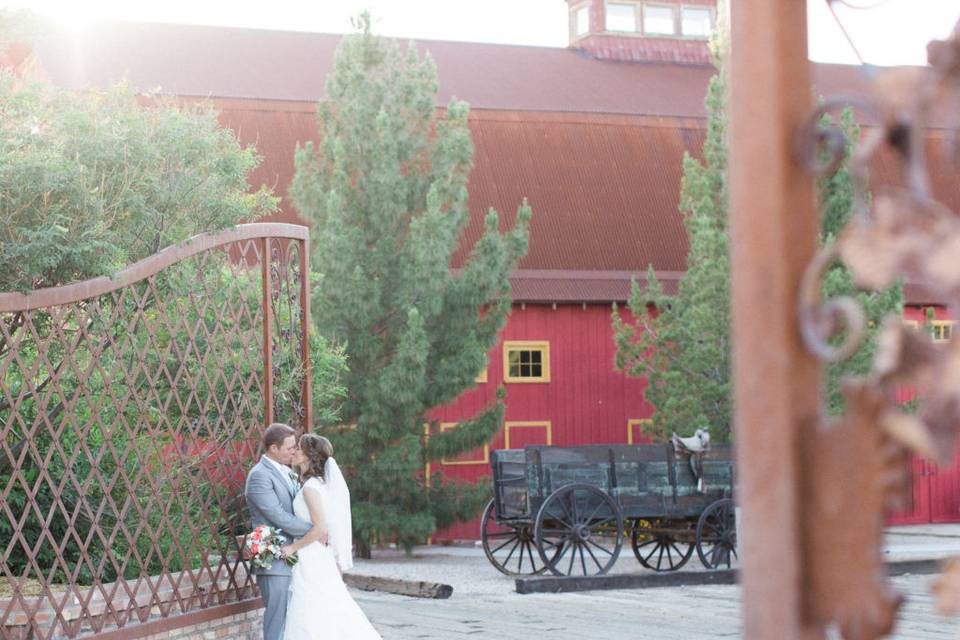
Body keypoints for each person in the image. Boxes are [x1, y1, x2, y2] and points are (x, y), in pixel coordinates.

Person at [281, 433, 382, 640]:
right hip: (317, 553)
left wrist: (292, 548)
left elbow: (319, 528)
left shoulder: (310, 488)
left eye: (299, 448)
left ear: (310, 456)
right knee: (324, 607)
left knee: (312, 607)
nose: (295, 451)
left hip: (310, 556)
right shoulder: (316, 484)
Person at [244, 423, 313, 640]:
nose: (295, 451)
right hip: (274, 558)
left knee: (294, 616)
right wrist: (315, 531)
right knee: (277, 617)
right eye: (290, 447)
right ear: (274, 448)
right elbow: (278, 516)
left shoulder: (289, 472)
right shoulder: (259, 476)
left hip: (295, 553)